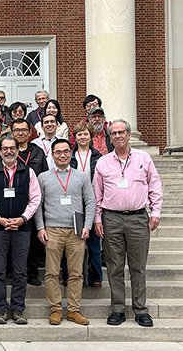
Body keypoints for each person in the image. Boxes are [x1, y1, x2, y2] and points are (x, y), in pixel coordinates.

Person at [94, 120, 163, 327]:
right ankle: (117, 309)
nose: (117, 136)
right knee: (114, 267)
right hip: (112, 218)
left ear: (129, 134)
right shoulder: (103, 162)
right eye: (113, 133)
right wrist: (98, 218)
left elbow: (155, 186)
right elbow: (97, 194)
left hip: (138, 218)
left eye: (121, 132)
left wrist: (155, 212)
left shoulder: (144, 158)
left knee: (138, 267)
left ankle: (140, 309)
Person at [0, 136, 41, 325]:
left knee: (20, 271)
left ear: (17, 150)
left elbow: (35, 199)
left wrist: (23, 219)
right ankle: (1, 310)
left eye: (12, 148)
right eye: (4, 148)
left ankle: (18, 309)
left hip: (22, 229)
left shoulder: (28, 172)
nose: (8, 151)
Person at [35, 139, 95, 326]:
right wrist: (40, 227)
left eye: (65, 151)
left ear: (71, 153)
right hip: (53, 229)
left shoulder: (81, 177)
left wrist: (88, 225)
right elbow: (38, 205)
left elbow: (90, 202)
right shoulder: (43, 177)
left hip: (76, 231)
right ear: (52, 155)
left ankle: (74, 310)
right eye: (58, 152)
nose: (62, 155)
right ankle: (55, 308)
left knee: (76, 272)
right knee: (52, 272)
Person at [10, 119, 49, 286]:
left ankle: (32, 273)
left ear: (29, 132)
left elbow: (46, 174)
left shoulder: (37, 152)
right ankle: (11, 273)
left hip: (34, 201)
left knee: (33, 239)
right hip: (12, 200)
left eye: (24, 130)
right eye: (17, 130)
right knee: (12, 239)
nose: (20, 133)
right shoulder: (9, 151)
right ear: (12, 133)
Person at [67, 122, 103, 287]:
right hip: (72, 202)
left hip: (91, 201)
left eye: (85, 134)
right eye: (79, 134)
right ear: (74, 137)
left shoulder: (97, 157)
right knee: (70, 241)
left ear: (91, 136)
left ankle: (96, 276)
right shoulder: (69, 156)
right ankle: (68, 275)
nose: (82, 137)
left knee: (93, 241)